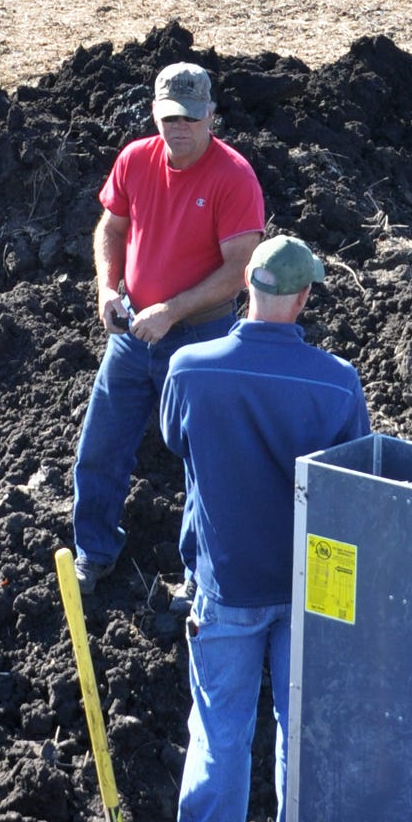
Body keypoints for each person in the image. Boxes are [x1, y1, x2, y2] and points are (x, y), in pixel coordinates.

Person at [157, 234, 370, 822]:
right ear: (305, 295)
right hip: (312, 588)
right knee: (299, 729)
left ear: (246, 286)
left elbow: (174, 442)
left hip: (225, 584)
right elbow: (355, 483)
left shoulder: (191, 369)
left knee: (220, 727)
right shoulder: (336, 382)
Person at [70, 62, 266, 596]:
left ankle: (197, 577)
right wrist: (108, 290)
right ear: (156, 113)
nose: (179, 127)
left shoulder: (233, 178)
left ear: (211, 117)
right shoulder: (135, 159)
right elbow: (111, 227)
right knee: (102, 445)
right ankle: (93, 551)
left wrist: (172, 311)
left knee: (205, 462)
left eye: (190, 117)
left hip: (202, 338)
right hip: (133, 334)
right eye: (168, 116)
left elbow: (238, 272)